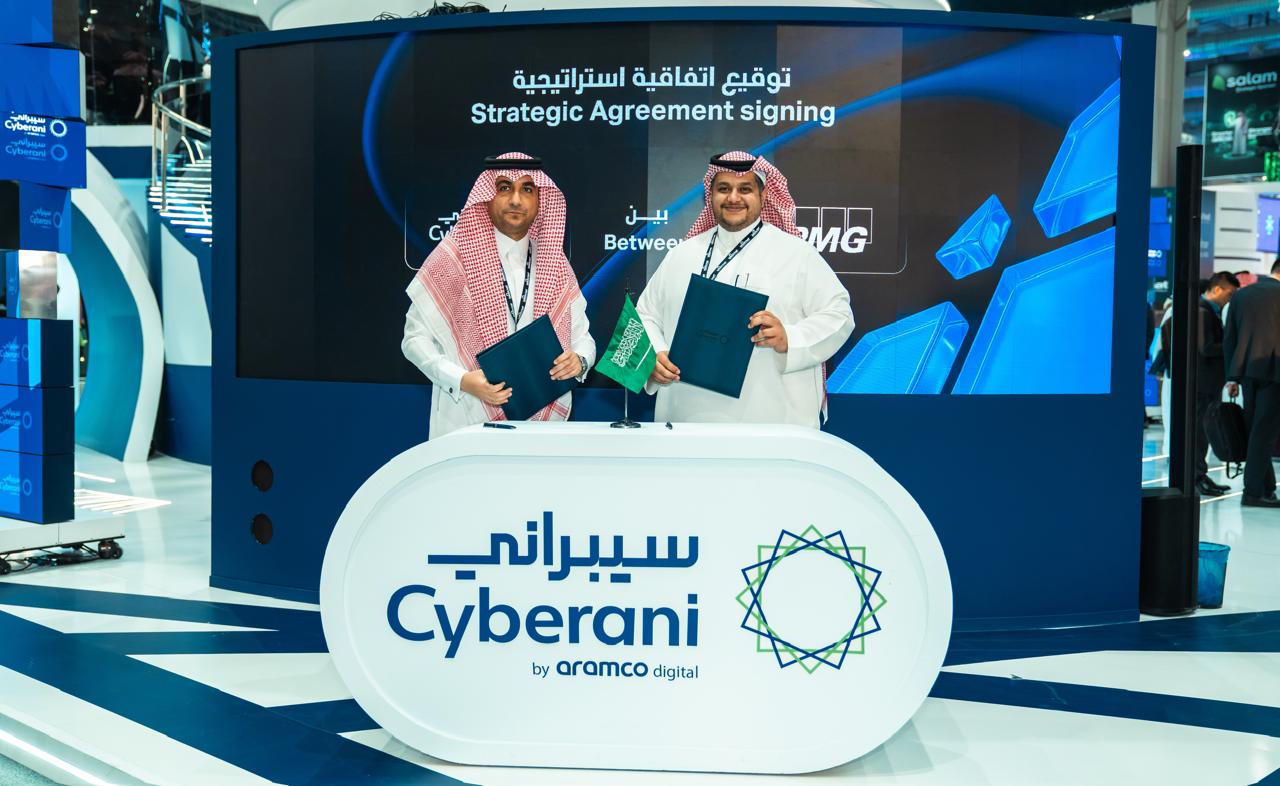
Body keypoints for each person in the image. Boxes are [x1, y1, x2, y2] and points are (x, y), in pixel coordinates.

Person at [635, 151, 854, 427]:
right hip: (686, 420)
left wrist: (790, 337)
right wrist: (653, 356)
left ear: (764, 195)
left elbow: (840, 315)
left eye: (745, 189)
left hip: (771, 424)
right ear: (710, 195)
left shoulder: (796, 254)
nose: (733, 198)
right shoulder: (681, 255)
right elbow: (645, 315)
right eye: (723, 188)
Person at [401, 153, 595, 439]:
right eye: (504, 188)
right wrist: (462, 380)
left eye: (527, 189)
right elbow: (414, 340)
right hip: (466, 422)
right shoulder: (452, 258)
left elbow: (583, 338)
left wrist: (580, 361)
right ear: (487, 196)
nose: (516, 200)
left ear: (540, 200)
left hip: (539, 433)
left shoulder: (555, 263)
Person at [1223, 259, 1280, 506]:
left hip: (1246, 371)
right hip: (1275, 372)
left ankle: (1267, 488)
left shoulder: (1241, 295)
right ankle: (1253, 493)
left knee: (1257, 430)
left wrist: (1231, 377)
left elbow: (1230, 337)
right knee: (1264, 433)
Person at [1194, 272, 1240, 497]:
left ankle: (1200, 475)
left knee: (1203, 432)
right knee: (1199, 433)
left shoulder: (1209, 311)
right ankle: (1196, 477)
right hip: (1202, 383)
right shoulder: (1203, 312)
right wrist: (1231, 345)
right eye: (1229, 294)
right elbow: (1205, 347)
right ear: (1217, 289)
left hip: (1208, 383)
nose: (1229, 299)